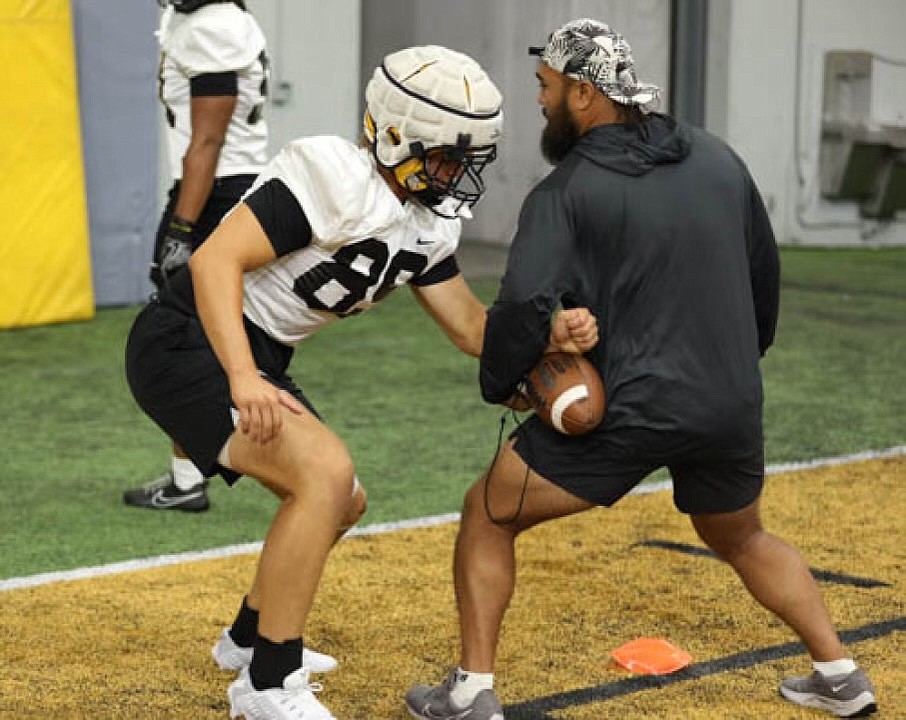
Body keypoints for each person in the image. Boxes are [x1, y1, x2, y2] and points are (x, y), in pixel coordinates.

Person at [406, 18, 877, 720]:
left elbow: (525, 302)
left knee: (486, 514)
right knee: (741, 534)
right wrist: (737, 368)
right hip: (727, 400)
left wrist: (508, 382)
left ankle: (471, 693)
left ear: (585, 94)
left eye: (546, 86)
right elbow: (763, 276)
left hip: (628, 409)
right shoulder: (719, 158)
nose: (538, 100)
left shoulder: (563, 191)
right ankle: (840, 675)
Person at [125, 44, 598, 720]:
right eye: (445, 156)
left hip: (252, 352)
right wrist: (240, 378)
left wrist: (545, 336)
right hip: (188, 340)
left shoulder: (425, 216)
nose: (457, 174)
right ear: (397, 134)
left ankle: (247, 639)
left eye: (467, 160)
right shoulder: (333, 176)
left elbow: (469, 326)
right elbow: (212, 263)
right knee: (323, 472)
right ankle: (266, 686)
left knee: (344, 497)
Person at [124, 0, 269, 512]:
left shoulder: (214, 25)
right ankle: (187, 476)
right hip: (214, 189)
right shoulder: (195, 18)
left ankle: (198, 477)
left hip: (216, 194)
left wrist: (182, 229)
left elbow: (208, 140)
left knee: (179, 343)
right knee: (189, 337)